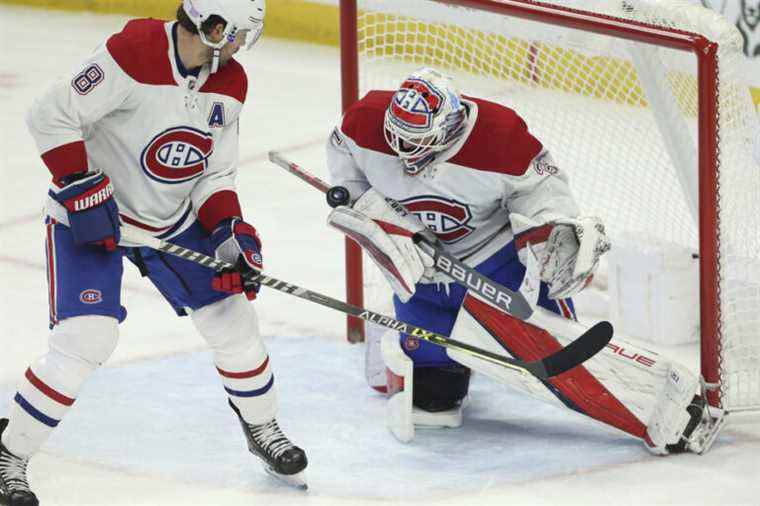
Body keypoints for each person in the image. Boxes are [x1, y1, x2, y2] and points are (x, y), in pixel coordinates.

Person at [0, 1, 308, 503]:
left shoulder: (230, 83)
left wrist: (230, 230)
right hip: (93, 216)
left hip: (172, 220)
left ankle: (263, 428)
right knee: (86, 340)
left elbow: (212, 173)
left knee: (234, 322)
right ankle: (9, 454)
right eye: (237, 34)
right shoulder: (135, 52)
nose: (240, 46)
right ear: (214, 27)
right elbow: (50, 115)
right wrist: (80, 186)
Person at [325, 67, 722, 454]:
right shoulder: (365, 122)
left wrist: (552, 231)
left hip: (493, 257)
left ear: (448, 129)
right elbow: (345, 167)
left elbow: (541, 190)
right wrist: (377, 216)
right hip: (422, 270)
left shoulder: (498, 137)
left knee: (555, 352)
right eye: (397, 140)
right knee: (433, 404)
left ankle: (657, 408)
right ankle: (409, 345)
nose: (404, 155)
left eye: (416, 144)